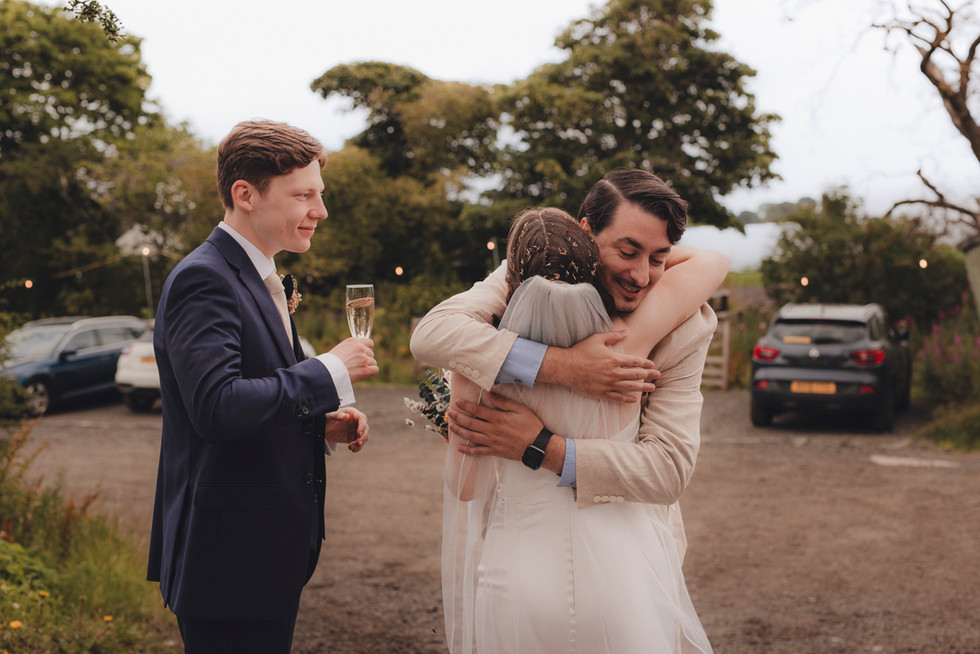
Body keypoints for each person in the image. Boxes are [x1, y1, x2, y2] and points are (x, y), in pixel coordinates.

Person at [439, 206, 717, 653]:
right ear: (593, 269)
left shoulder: (477, 366)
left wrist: (464, 432)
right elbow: (712, 261)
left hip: (519, 580)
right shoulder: (630, 356)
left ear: (509, 284)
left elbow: (465, 488)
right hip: (622, 580)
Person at [146, 120, 379, 653]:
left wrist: (320, 425)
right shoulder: (203, 278)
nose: (320, 211)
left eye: (319, 195)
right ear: (245, 194)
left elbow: (256, 393)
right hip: (227, 561)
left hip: (261, 556)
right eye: (304, 196)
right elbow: (217, 407)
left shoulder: (258, 275)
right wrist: (327, 371)